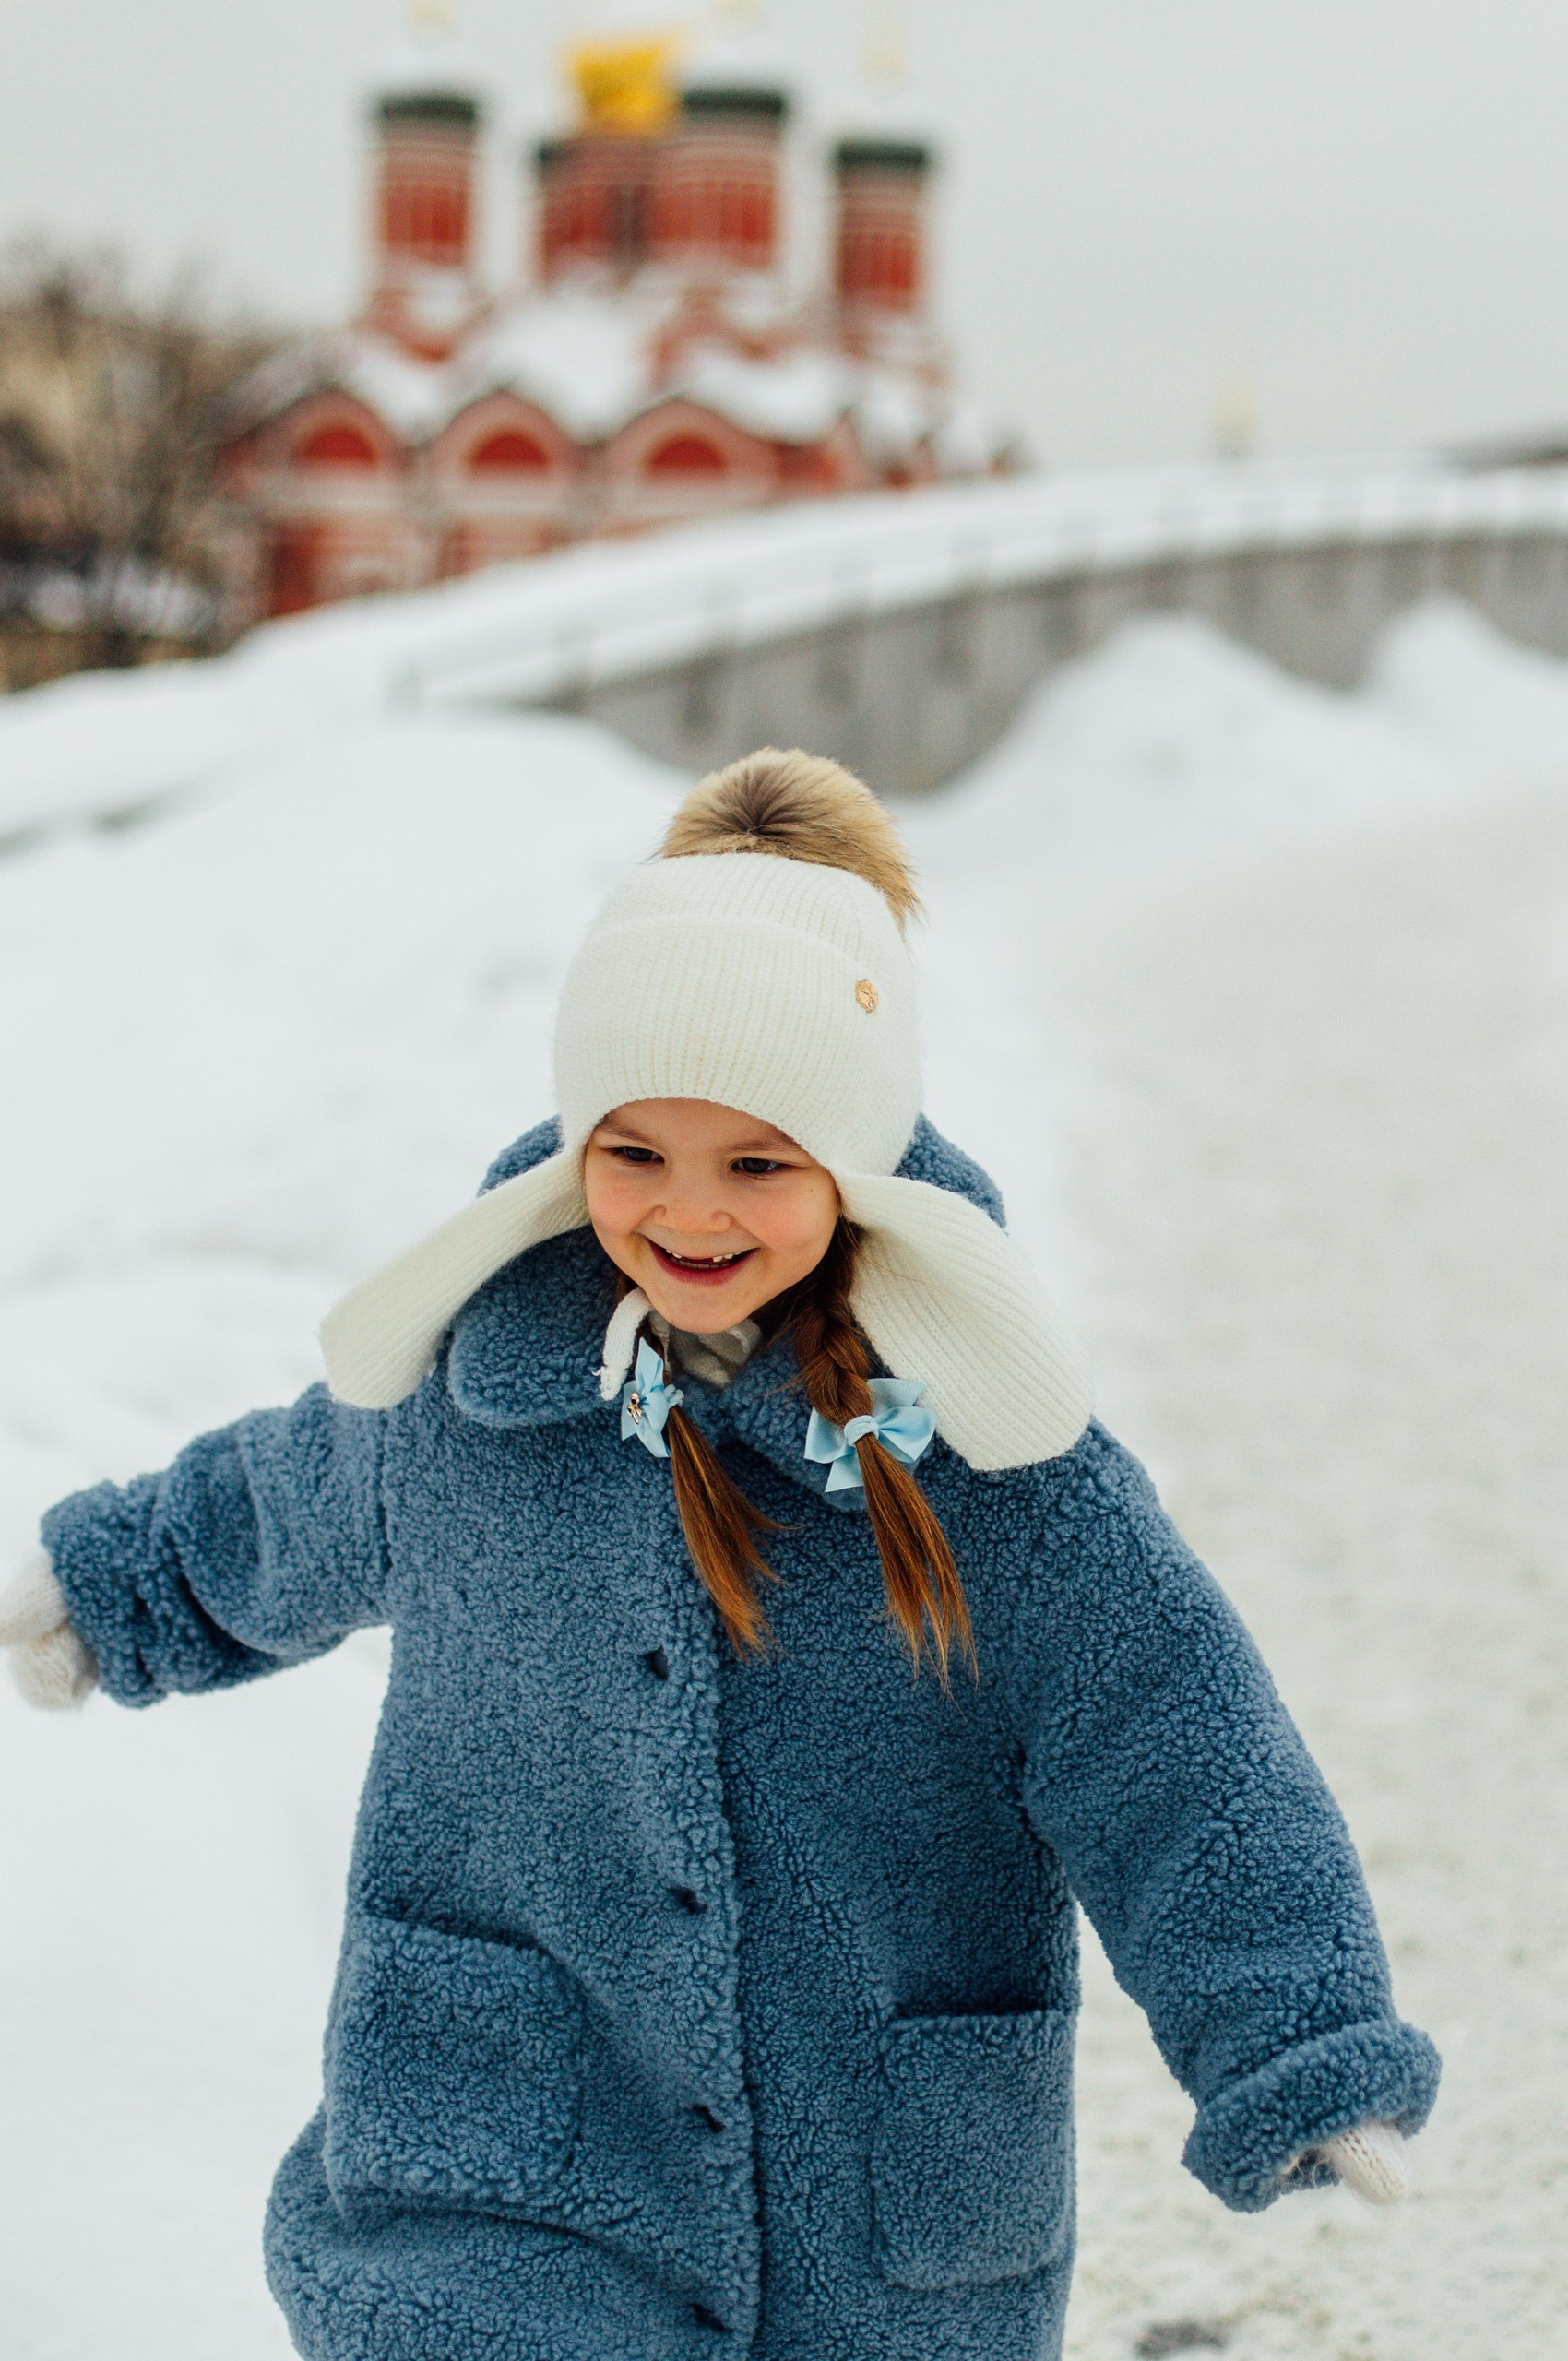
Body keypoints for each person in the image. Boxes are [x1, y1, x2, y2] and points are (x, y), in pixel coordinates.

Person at [0, 751, 1439, 2361]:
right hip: (508, 2154)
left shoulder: (1002, 1473)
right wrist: (104, 1586)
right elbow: (280, 1505)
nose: (689, 1210)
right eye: (636, 1153)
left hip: (868, 2213)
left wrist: (1297, 2039)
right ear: (573, 1149)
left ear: (855, 1164)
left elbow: (1179, 1751)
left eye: (756, 1161)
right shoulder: (474, 1409)